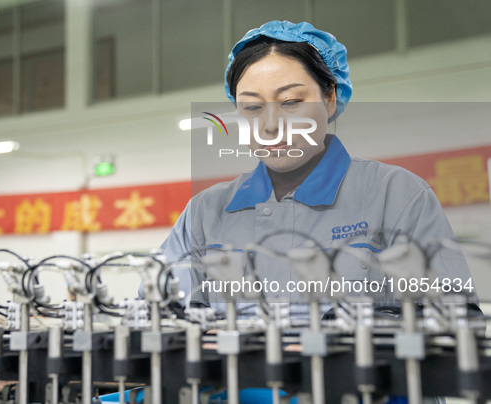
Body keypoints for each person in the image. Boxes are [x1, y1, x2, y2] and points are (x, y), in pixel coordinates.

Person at [154, 20, 476, 313]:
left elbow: (454, 322)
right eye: (251, 107)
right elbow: (159, 315)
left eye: (291, 102)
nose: (270, 125)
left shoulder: (397, 196)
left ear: (330, 97)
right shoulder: (205, 214)